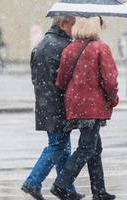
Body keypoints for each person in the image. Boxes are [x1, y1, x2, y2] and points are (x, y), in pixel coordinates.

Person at [51, 16, 119, 200]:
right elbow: (110, 80)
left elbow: (61, 81)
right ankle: (61, 184)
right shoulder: (101, 48)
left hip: (76, 105)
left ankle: (99, 191)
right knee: (86, 148)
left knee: (95, 148)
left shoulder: (70, 48)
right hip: (93, 106)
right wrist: (113, 99)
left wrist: (76, 93)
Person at [21, 16, 84, 200]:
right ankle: (33, 182)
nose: (73, 29)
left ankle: (67, 189)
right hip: (59, 105)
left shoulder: (41, 45)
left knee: (63, 146)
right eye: (72, 25)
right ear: (63, 24)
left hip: (45, 103)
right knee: (57, 145)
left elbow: (35, 77)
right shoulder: (63, 46)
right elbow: (67, 80)